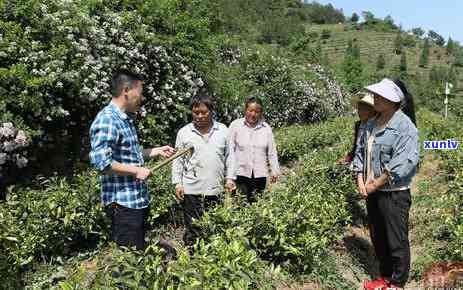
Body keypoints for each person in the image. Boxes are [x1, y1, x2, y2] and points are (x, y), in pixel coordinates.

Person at [89, 70, 175, 250]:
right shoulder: (107, 120)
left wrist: (156, 151)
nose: (141, 98)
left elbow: (130, 154)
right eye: (140, 92)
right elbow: (102, 163)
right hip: (123, 205)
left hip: (136, 200)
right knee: (129, 264)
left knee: (138, 255)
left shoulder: (124, 119)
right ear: (126, 90)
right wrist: (136, 171)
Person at [353, 78, 419, 290]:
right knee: (379, 237)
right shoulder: (370, 124)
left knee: (396, 240)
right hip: (372, 192)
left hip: (393, 193)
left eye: (380, 95)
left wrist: (375, 184)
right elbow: (360, 153)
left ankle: (397, 283)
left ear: (393, 100)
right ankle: (385, 277)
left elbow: (404, 162)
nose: (375, 98)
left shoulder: (404, 126)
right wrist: (360, 180)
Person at [172, 91, 235, 246]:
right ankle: (193, 261)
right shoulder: (184, 133)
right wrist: (178, 183)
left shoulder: (223, 131)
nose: (199, 116)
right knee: (193, 228)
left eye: (203, 112)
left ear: (211, 111)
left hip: (216, 188)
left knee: (215, 226)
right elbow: (178, 160)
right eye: (195, 112)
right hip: (192, 189)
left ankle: (212, 259)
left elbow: (230, 157)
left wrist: (230, 178)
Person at [228, 96, 280, 203]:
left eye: (257, 111)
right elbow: (230, 151)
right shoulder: (235, 126)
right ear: (245, 110)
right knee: (239, 205)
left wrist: (274, 170)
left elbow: (272, 152)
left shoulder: (266, 128)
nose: (253, 114)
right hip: (240, 174)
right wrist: (229, 176)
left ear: (261, 113)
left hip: (259, 176)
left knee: (257, 206)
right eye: (250, 110)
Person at [340, 92, 376, 165]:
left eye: (364, 109)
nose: (360, 112)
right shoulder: (358, 125)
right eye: (359, 109)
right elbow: (357, 146)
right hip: (357, 162)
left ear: (372, 110)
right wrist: (348, 158)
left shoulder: (376, 125)